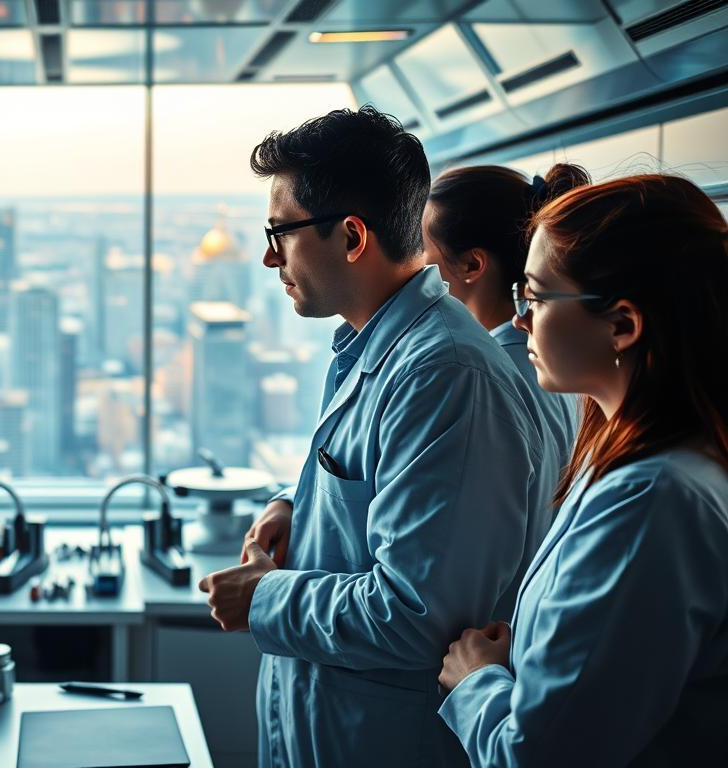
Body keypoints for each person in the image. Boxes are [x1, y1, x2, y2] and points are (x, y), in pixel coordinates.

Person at [196, 106, 548, 767]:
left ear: (352, 236)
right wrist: (292, 502)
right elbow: (371, 482)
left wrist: (264, 597)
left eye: (281, 233)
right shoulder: (374, 346)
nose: (270, 256)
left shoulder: (446, 375)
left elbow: (415, 614)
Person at [437, 174, 728, 765]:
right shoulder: (627, 456)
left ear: (622, 325)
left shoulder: (653, 499)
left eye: (538, 298)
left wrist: (477, 681)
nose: (520, 320)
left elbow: (541, 757)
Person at [423, 163, 590, 575]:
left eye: (422, 254)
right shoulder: (560, 367)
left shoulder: (473, 382)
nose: (412, 272)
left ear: (471, 266)